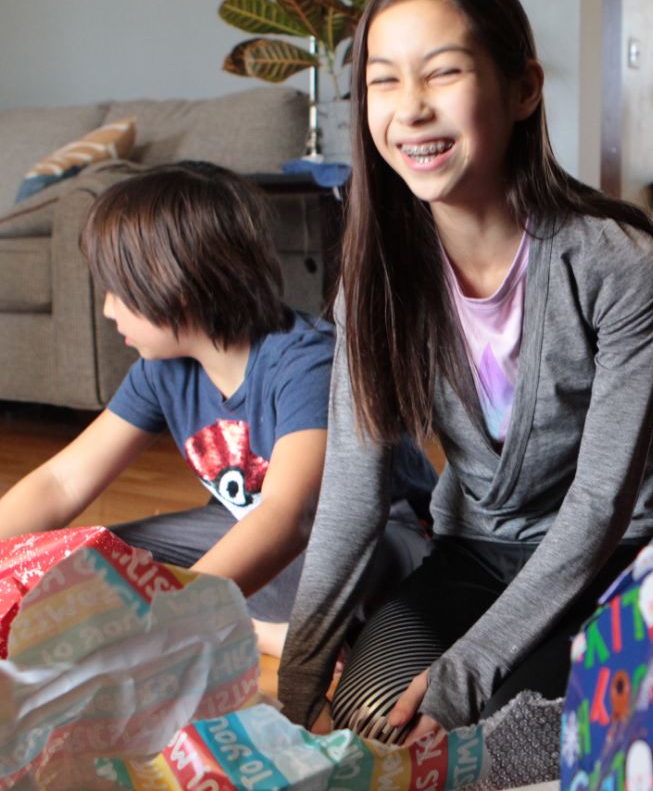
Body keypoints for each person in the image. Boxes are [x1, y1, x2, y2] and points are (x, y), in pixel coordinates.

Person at [277, 0, 653, 743]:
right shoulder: (375, 280)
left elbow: (601, 502)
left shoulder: (619, 262)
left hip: (609, 558)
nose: (411, 109)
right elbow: (354, 491)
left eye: (443, 72)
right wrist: (296, 689)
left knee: (505, 742)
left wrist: (464, 674)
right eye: (383, 79)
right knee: (373, 721)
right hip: (473, 551)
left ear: (523, 89)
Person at [0, 161, 437, 656]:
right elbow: (62, 481)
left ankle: (276, 630)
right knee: (90, 559)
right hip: (255, 536)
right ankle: (261, 628)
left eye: (117, 291)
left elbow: (290, 516)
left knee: (326, 569)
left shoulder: (309, 363)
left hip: (380, 542)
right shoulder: (162, 369)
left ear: (176, 284)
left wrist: (172, 618)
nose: (107, 309)